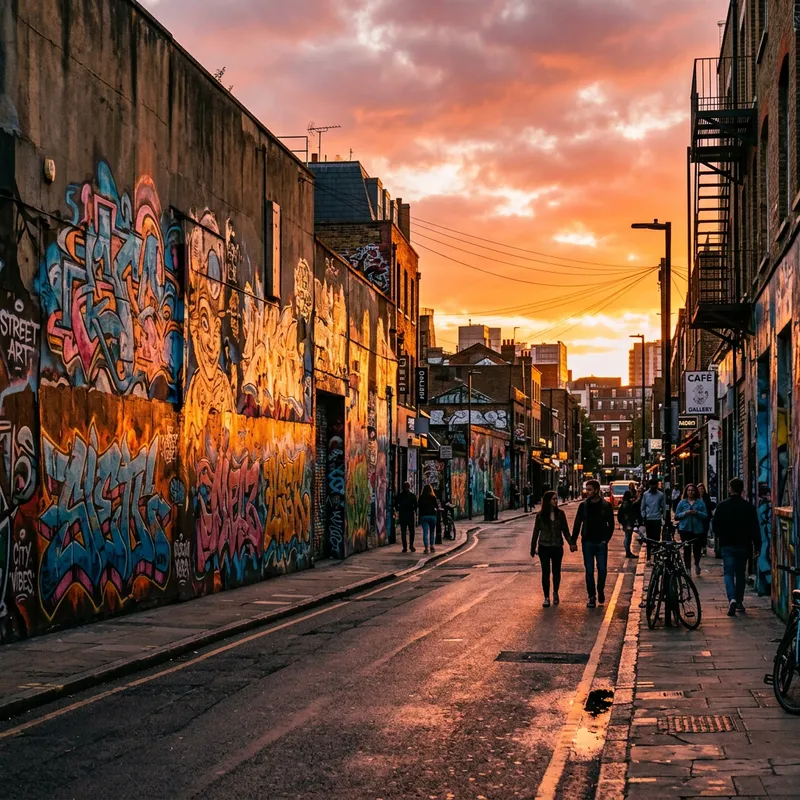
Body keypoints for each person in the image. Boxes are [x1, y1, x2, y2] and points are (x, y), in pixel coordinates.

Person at [713, 478, 761, 616]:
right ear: (742, 489)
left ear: (730, 488)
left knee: (728, 573)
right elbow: (755, 528)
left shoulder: (722, 506)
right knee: (740, 574)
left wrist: (720, 536)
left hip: (727, 544)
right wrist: (757, 546)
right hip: (743, 545)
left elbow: (715, 524)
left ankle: (732, 598)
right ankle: (739, 602)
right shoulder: (749, 507)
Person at [571, 479, 614, 608]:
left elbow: (611, 524)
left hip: (601, 543)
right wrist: (573, 541)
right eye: (586, 489)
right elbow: (577, 523)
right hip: (588, 542)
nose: (587, 492)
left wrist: (606, 539)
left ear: (596, 490)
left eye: (589, 489)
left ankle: (600, 590)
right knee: (589, 571)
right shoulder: (583, 506)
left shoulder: (606, 506)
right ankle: (591, 597)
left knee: (602, 570)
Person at [530, 490, 572, 607]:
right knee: (545, 573)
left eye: (556, 498)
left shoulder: (561, 514)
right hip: (544, 547)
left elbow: (565, 530)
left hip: (557, 547)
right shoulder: (540, 515)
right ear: (548, 501)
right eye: (554, 499)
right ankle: (546, 597)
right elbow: (535, 532)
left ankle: (555, 592)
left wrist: (571, 543)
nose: (556, 501)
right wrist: (533, 548)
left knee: (556, 572)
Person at [674, 483, 707, 576]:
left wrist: (697, 513)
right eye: (689, 490)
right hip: (685, 529)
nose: (690, 492)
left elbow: (705, 516)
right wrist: (686, 513)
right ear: (686, 492)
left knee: (697, 549)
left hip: (697, 529)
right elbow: (676, 516)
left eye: (692, 490)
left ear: (695, 491)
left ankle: (696, 563)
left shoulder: (700, 502)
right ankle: (688, 568)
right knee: (687, 549)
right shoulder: (682, 502)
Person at [640, 478, 666, 561]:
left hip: (657, 518)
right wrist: (644, 516)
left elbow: (663, 507)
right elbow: (642, 507)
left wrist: (664, 517)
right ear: (650, 485)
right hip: (649, 519)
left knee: (657, 539)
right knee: (649, 539)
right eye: (652, 485)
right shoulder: (645, 494)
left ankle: (656, 557)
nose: (653, 487)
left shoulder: (661, 495)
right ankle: (648, 558)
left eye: (655, 485)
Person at [393, 481, 418, 553]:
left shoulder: (399, 496)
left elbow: (396, 504)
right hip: (410, 515)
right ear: (409, 487)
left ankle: (405, 547)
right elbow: (416, 506)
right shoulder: (412, 496)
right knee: (411, 532)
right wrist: (413, 510)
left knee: (403, 531)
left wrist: (399, 509)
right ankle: (411, 546)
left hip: (402, 515)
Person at [418, 484, 440, 554]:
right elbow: (437, 506)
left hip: (424, 516)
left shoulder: (421, 497)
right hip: (432, 516)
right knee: (432, 532)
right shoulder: (433, 497)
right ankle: (432, 546)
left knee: (425, 532)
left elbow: (418, 506)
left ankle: (426, 548)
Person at [696, 483, 715, 557]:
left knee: (704, 533)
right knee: (698, 534)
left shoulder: (706, 497)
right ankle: (698, 548)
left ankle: (704, 548)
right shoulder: (695, 498)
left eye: (702, 489)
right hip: (697, 519)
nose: (701, 490)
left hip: (705, 518)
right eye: (699, 489)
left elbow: (709, 506)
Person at [617, 490, 638, 558]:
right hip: (628, 523)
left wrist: (622, 522)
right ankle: (628, 552)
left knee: (627, 537)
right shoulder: (628, 504)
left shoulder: (624, 504)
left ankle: (628, 551)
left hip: (626, 523)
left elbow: (619, 515)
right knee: (628, 538)